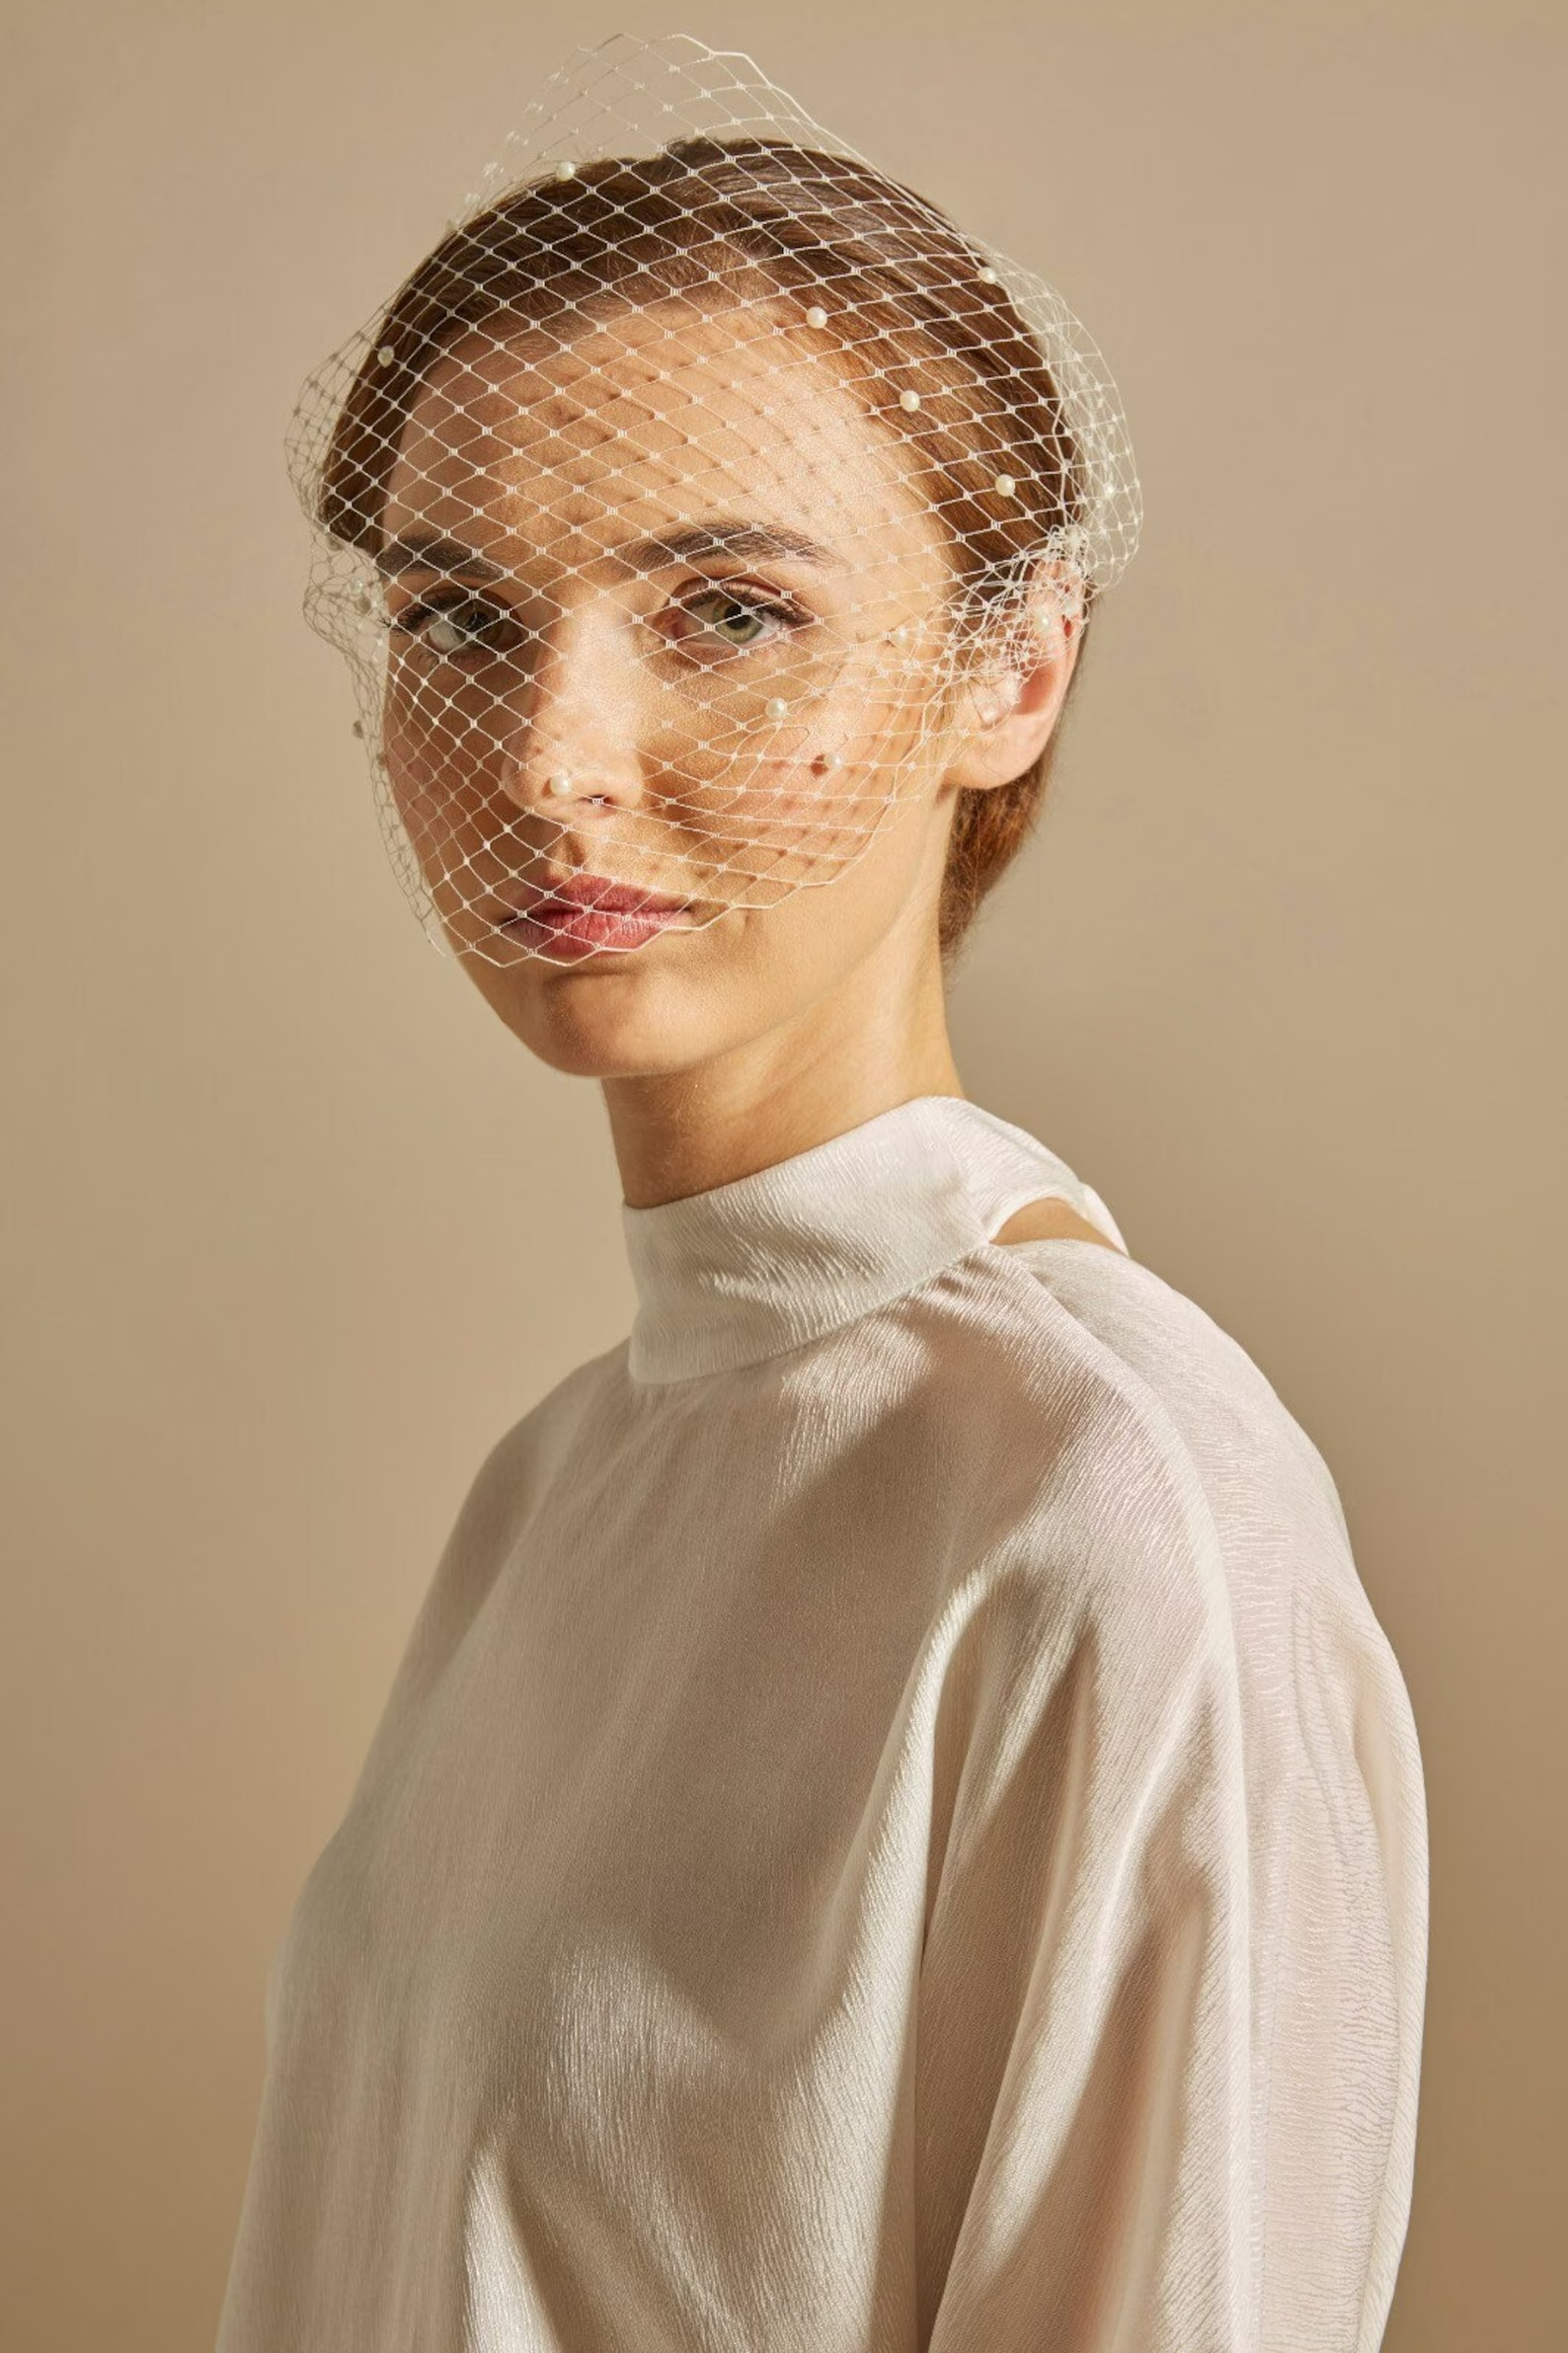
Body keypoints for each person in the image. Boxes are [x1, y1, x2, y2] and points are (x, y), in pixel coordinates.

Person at [216, 39, 1427, 2352]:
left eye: (725, 609)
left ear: (1014, 667)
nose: (553, 758)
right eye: (461, 616)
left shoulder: (1119, 1522)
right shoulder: (549, 1490)